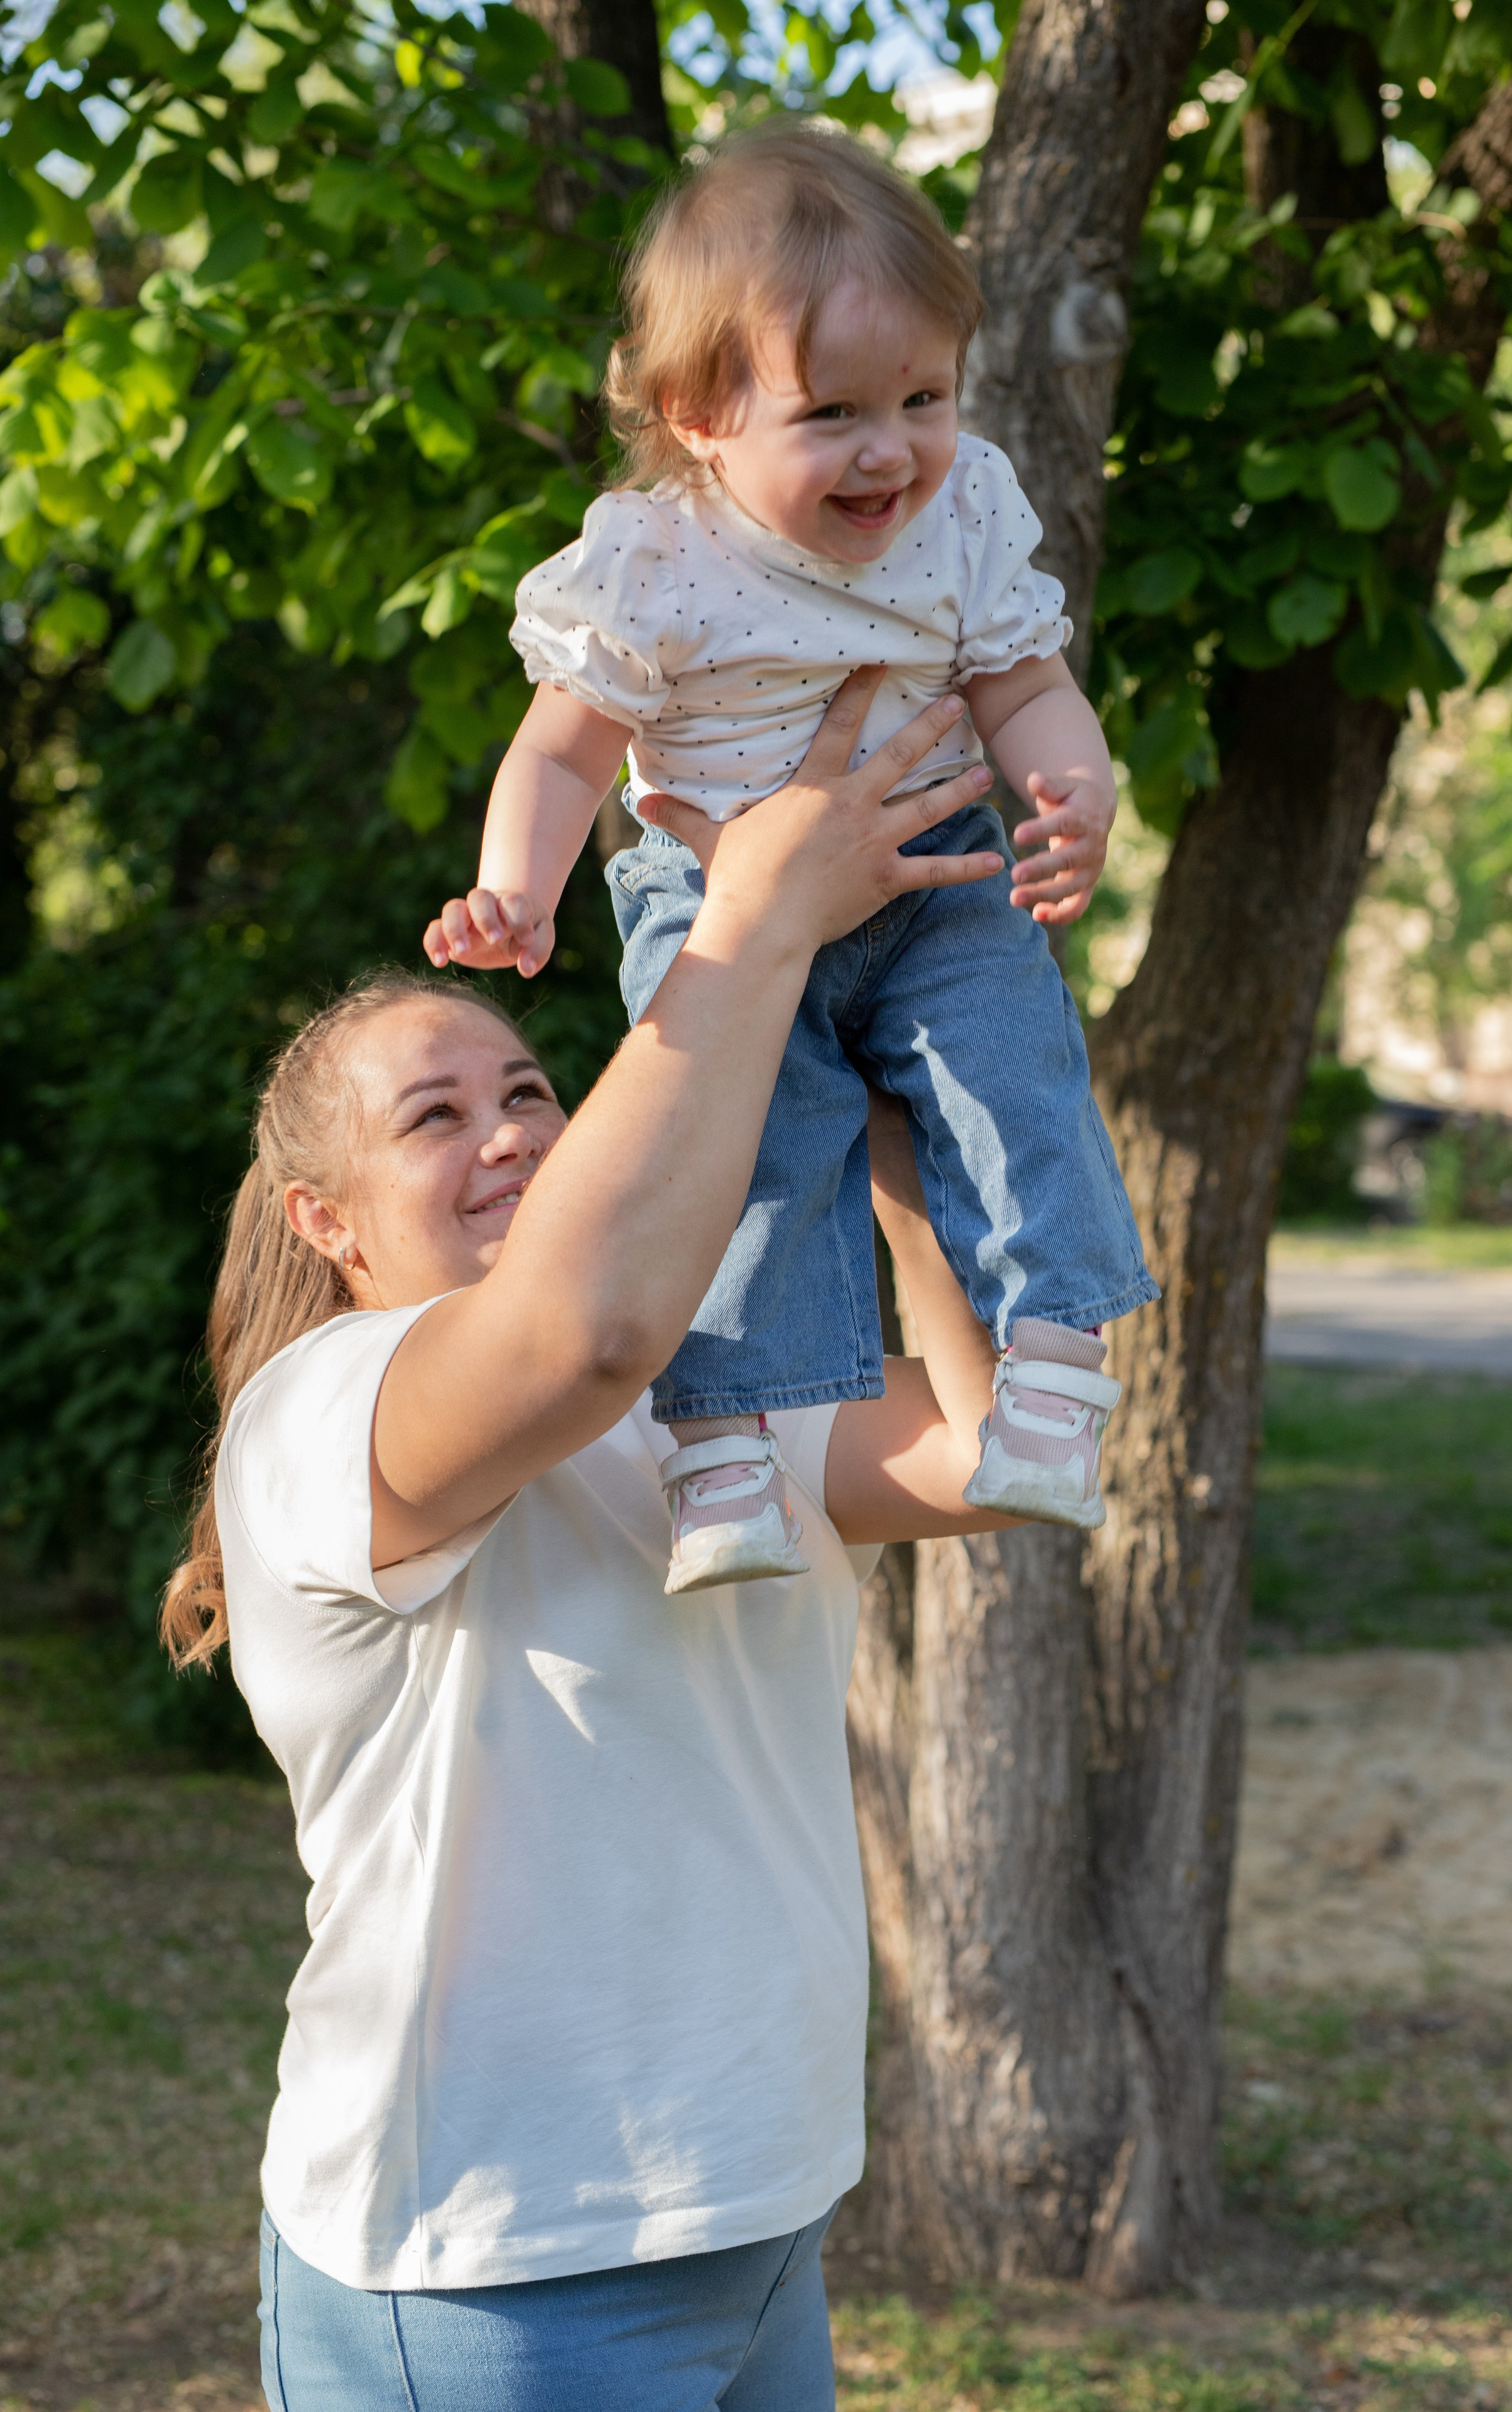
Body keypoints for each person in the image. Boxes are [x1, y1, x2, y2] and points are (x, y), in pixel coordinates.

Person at [161, 680, 1027, 2411]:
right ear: (325, 1227)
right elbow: (581, 1337)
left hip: (756, 2215)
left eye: (531, 1086)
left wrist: (877, 1115)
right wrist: (753, 929)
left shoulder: (708, 1392)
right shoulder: (321, 1415)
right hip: (492, 2266)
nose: (511, 1133)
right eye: (435, 1118)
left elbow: (996, 1451)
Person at [423, 122, 1157, 1597]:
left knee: (1014, 1075)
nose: (890, 446)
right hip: (711, 903)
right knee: (750, 1161)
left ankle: (1056, 1376)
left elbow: (1020, 684)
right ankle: (724, 1451)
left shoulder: (961, 515)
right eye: (831, 412)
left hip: (934, 873)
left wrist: (1072, 790)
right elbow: (563, 751)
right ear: (699, 412)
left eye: (923, 395)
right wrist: (519, 885)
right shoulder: (652, 560)